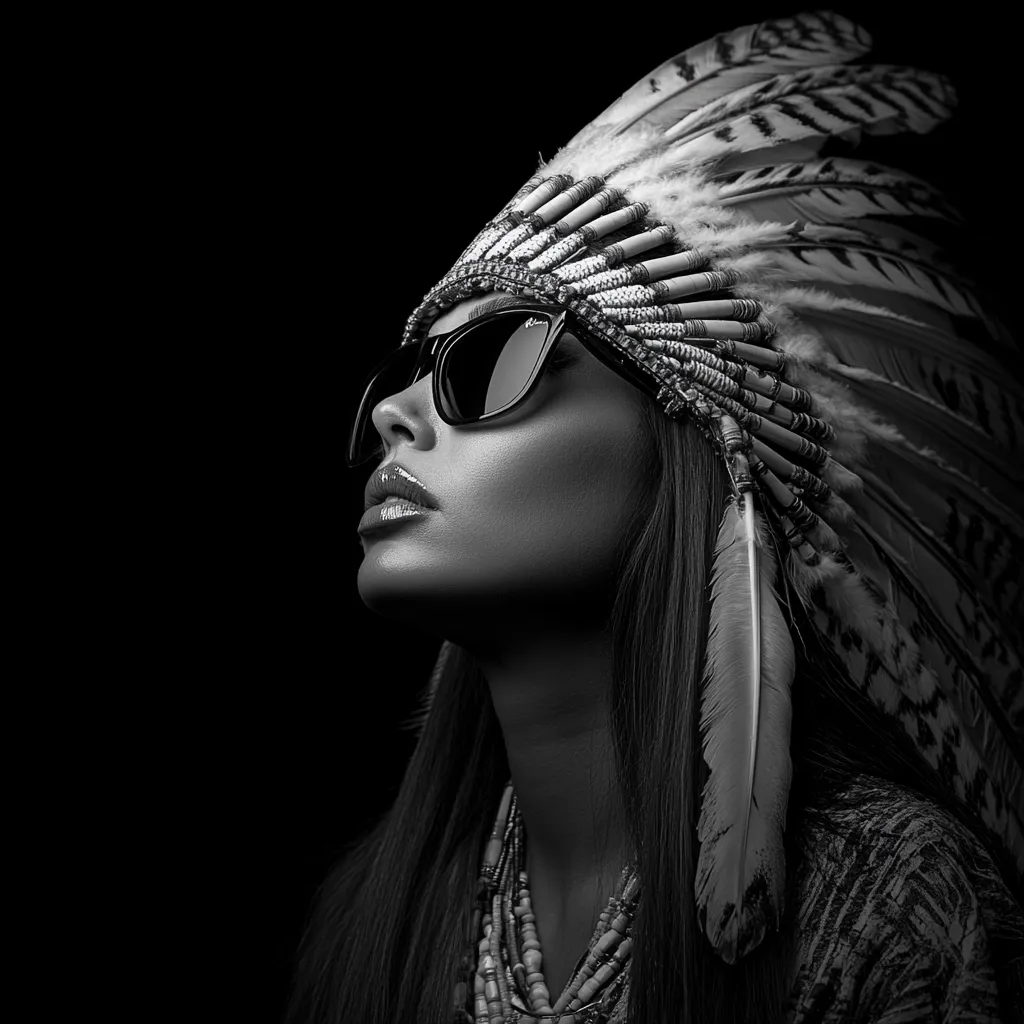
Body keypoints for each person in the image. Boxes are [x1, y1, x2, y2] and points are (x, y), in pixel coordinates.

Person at [287, 10, 1024, 1023]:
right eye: (402, 376)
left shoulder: (892, 903)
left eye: (488, 365)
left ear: (690, 436)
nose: (391, 414)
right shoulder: (366, 919)